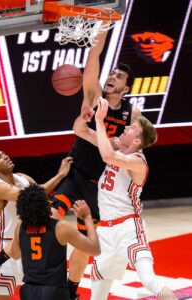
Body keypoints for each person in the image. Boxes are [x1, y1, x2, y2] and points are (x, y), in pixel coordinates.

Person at [51, 29, 141, 299]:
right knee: (48, 218)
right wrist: (103, 25)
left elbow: (134, 147)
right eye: (112, 74)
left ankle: (71, 290)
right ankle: (46, 275)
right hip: (76, 175)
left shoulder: (132, 113)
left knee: (84, 245)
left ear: (126, 88)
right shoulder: (93, 96)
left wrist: (110, 142)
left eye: (119, 77)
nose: (112, 77)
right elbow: (94, 55)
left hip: (101, 190)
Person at [73, 97, 177, 300]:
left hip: (129, 228)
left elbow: (107, 157)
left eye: (131, 129)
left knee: (149, 281)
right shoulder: (116, 147)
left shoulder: (138, 162)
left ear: (137, 141)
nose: (126, 128)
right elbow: (80, 130)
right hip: (106, 232)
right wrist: (85, 118)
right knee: (97, 295)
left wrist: (101, 122)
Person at [0, 148, 73, 300]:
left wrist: (61, 174)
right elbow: (31, 195)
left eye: (4, 153)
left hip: (27, 242)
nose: (5, 156)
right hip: (3, 245)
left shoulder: (22, 177)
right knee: (2, 297)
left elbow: (42, 190)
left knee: (35, 292)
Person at [0, 184, 101, 300]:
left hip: (28, 291)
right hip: (54, 292)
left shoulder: (20, 228)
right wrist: (87, 217)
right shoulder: (61, 227)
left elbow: (15, 254)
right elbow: (95, 249)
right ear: (47, 205)